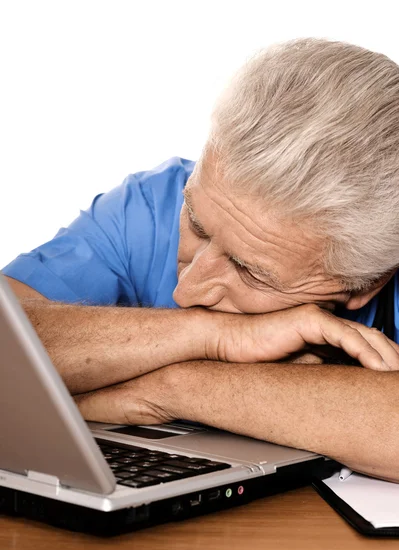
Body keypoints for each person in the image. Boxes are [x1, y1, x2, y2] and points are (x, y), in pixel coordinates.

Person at [4, 38, 399, 482]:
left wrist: (170, 388)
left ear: (369, 283)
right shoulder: (153, 205)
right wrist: (214, 335)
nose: (185, 290)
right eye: (197, 224)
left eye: (251, 271)